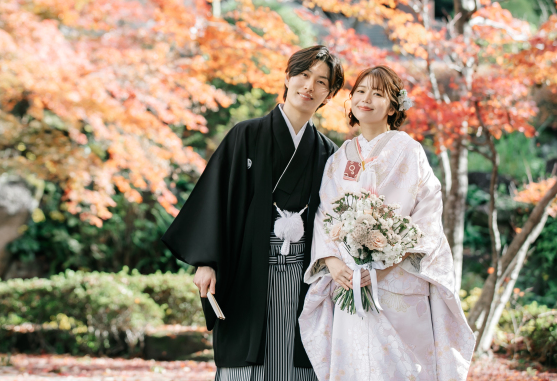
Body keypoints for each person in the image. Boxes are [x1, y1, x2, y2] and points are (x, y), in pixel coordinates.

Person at [162, 45, 345, 381]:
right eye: (304, 75)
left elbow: (335, 221)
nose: (309, 86)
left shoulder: (329, 153)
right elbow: (217, 198)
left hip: (304, 276)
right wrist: (207, 261)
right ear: (288, 77)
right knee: (246, 365)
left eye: (321, 82)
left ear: (329, 94)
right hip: (247, 269)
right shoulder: (245, 135)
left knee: (296, 362)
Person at [298, 65, 475, 381]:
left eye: (377, 94)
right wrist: (331, 261)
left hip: (397, 280)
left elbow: (428, 211)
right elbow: (325, 214)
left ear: (393, 107)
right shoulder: (339, 158)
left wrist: (389, 260)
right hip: (351, 281)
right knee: (353, 366)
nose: (366, 99)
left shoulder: (409, 150)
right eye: (360, 91)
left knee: (402, 369)